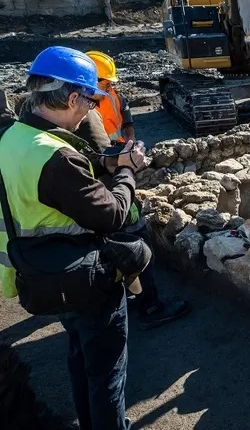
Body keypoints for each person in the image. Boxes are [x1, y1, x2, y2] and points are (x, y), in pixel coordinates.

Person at [0, 46, 147, 429]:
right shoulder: (56, 158)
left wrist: (105, 162)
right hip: (83, 278)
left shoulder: (14, 138)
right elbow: (112, 214)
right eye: (90, 102)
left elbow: (56, 187)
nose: (90, 111)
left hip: (42, 271)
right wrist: (127, 171)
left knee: (81, 357)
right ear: (71, 97)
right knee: (107, 373)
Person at [79, 53, 191, 329]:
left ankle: (132, 296)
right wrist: (125, 167)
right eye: (104, 85)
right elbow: (101, 160)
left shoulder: (107, 99)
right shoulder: (86, 115)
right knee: (135, 238)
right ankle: (149, 304)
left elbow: (125, 123)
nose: (107, 91)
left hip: (114, 171)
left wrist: (127, 144)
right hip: (113, 185)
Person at [86, 50, 135, 144]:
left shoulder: (109, 94)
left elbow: (124, 107)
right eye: (107, 84)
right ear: (91, 81)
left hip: (119, 148)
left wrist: (130, 135)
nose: (110, 88)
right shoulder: (76, 110)